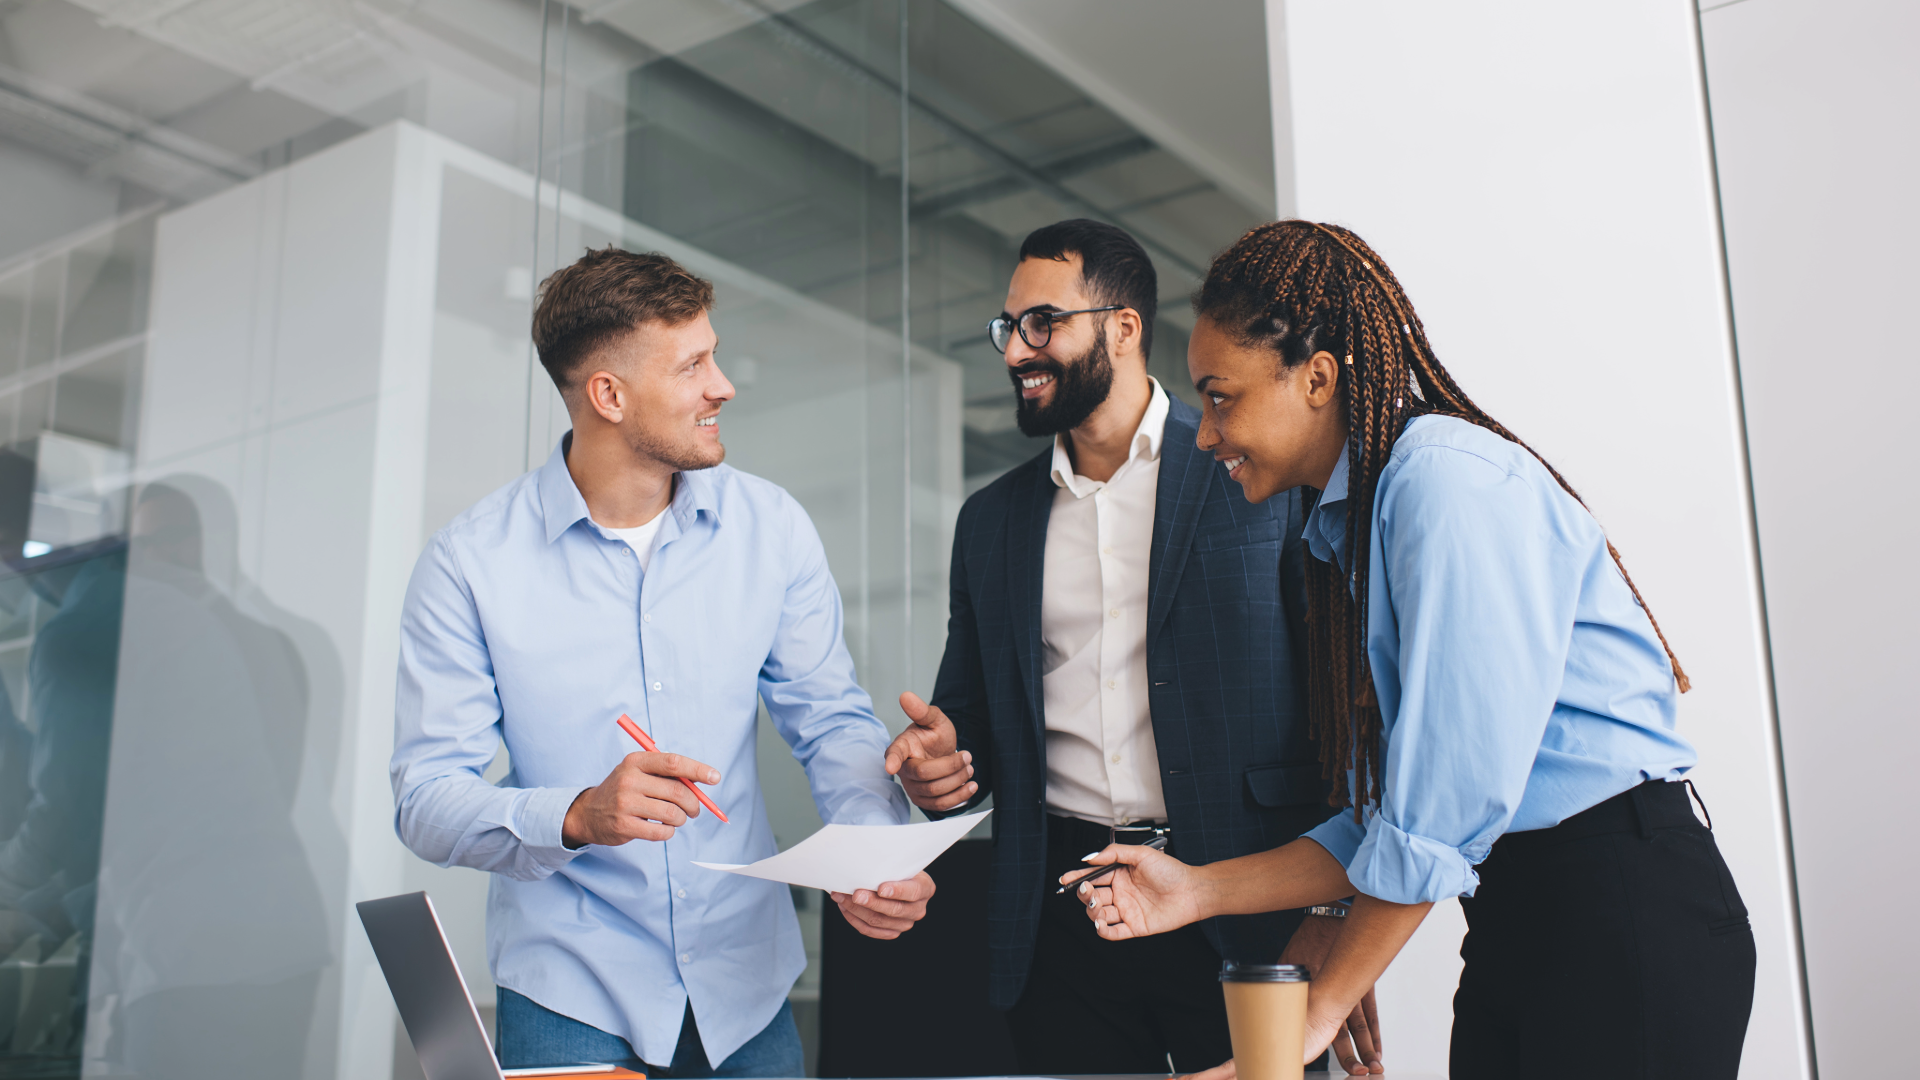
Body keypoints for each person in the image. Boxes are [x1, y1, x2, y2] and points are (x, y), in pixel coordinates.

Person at [1071, 220, 1757, 1080]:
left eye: (1221, 396)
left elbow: (1442, 808)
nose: (1204, 436)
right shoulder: (1356, 521)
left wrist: (1307, 1024)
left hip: (1618, 906)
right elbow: (1390, 814)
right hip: (1527, 914)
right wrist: (1197, 888)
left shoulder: (1440, 482)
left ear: (1317, 379)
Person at [391, 249, 931, 1079]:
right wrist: (577, 813)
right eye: (693, 366)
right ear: (608, 395)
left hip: (744, 988)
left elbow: (830, 721)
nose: (723, 385)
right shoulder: (469, 565)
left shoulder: (771, 528)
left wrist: (877, 852)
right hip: (571, 990)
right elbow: (426, 797)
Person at [883, 220, 1383, 1076]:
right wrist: (941, 764)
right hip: (1063, 918)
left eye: (1043, 322)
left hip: (1246, 903)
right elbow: (969, 721)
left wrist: (1337, 913)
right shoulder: (992, 521)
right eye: (1010, 328)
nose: (1017, 350)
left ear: (1123, 328)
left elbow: (1343, 706)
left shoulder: (1258, 463)